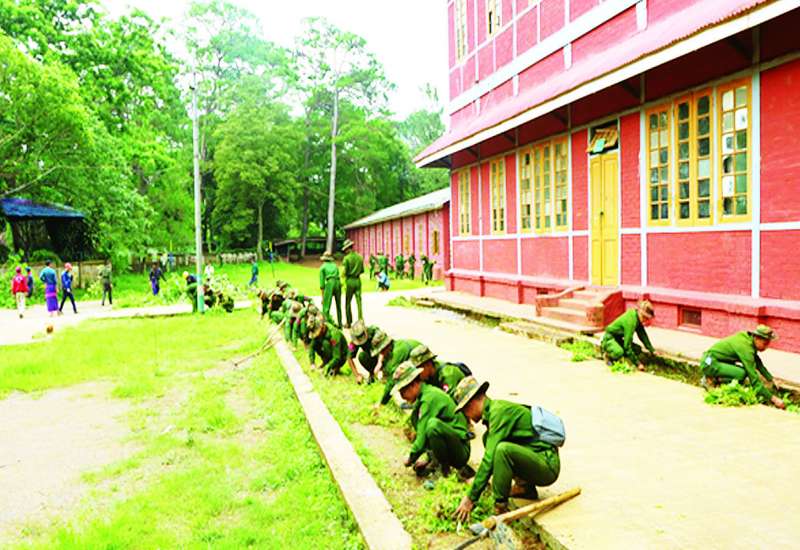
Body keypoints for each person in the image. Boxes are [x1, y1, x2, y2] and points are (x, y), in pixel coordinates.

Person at [454, 377, 562, 520]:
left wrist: (470, 498)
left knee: (502, 450)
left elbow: (489, 460)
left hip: (547, 466)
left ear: (472, 402)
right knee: (489, 439)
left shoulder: (499, 413)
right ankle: (524, 487)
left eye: (464, 410)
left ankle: (500, 508)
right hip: (536, 458)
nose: (466, 416)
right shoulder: (495, 411)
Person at [392, 362, 473, 478]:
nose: (401, 396)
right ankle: (435, 461)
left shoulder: (429, 399)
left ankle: (444, 469)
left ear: (413, 384)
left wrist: (410, 458)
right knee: (419, 419)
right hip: (452, 444)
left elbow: (422, 436)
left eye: (403, 391)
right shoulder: (423, 396)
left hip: (461, 449)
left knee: (432, 426)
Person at [700, 325, 785, 408]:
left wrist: (771, 379)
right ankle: (710, 379)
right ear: (756, 338)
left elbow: (757, 363)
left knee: (741, 372)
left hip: (715, 360)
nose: (766, 347)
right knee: (741, 374)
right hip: (709, 363)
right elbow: (754, 379)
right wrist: (773, 399)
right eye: (765, 344)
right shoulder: (746, 348)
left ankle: (715, 378)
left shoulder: (748, 339)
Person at [601, 300, 656, 371]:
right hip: (609, 338)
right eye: (645, 317)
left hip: (618, 339)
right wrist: (638, 364)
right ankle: (607, 355)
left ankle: (621, 355)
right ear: (640, 313)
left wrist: (652, 350)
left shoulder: (636, 317)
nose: (646, 320)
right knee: (619, 352)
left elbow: (642, 335)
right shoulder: (631, 322)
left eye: (647, 318)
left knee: (637, 349)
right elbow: (627, 346)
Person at [371, 331, 423, 405]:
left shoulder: (396, 354)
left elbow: (391, 382)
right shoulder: (396, 344)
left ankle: (416, 401)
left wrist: (382, 402)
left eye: (381, 350)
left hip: (423, 366)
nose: (381, 353)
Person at [341, 239, 364, 328]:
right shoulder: (360, 257)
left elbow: (344, 272)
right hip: (358, 280)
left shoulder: (346, 258)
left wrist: (342, 277)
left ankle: (349, 322)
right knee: (359, 302)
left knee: (348, 303)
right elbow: (362, 270)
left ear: (348, 248)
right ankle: (361, 320)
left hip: (350, 281)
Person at [319, 252, 342, 327]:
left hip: (330, 283)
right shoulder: (335, 265)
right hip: (338, 282)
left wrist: (323, 297)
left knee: (326, 306)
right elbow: (338, 275)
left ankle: (326, 324)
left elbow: (322, 285)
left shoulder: (322, 267)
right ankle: (340, 323)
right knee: (338, 305)